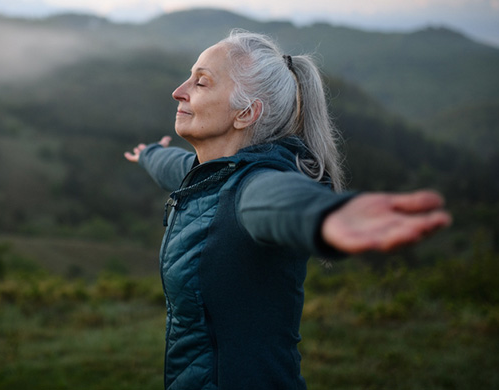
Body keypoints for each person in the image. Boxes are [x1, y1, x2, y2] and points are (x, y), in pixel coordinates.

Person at [123, 30, 451, 390]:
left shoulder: (253, 185)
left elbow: (279, 199)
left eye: (200, 82)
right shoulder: (208, 175)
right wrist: (149, 154)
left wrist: (325, 215)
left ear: (246, 113)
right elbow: (176, 166)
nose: (179, 90)